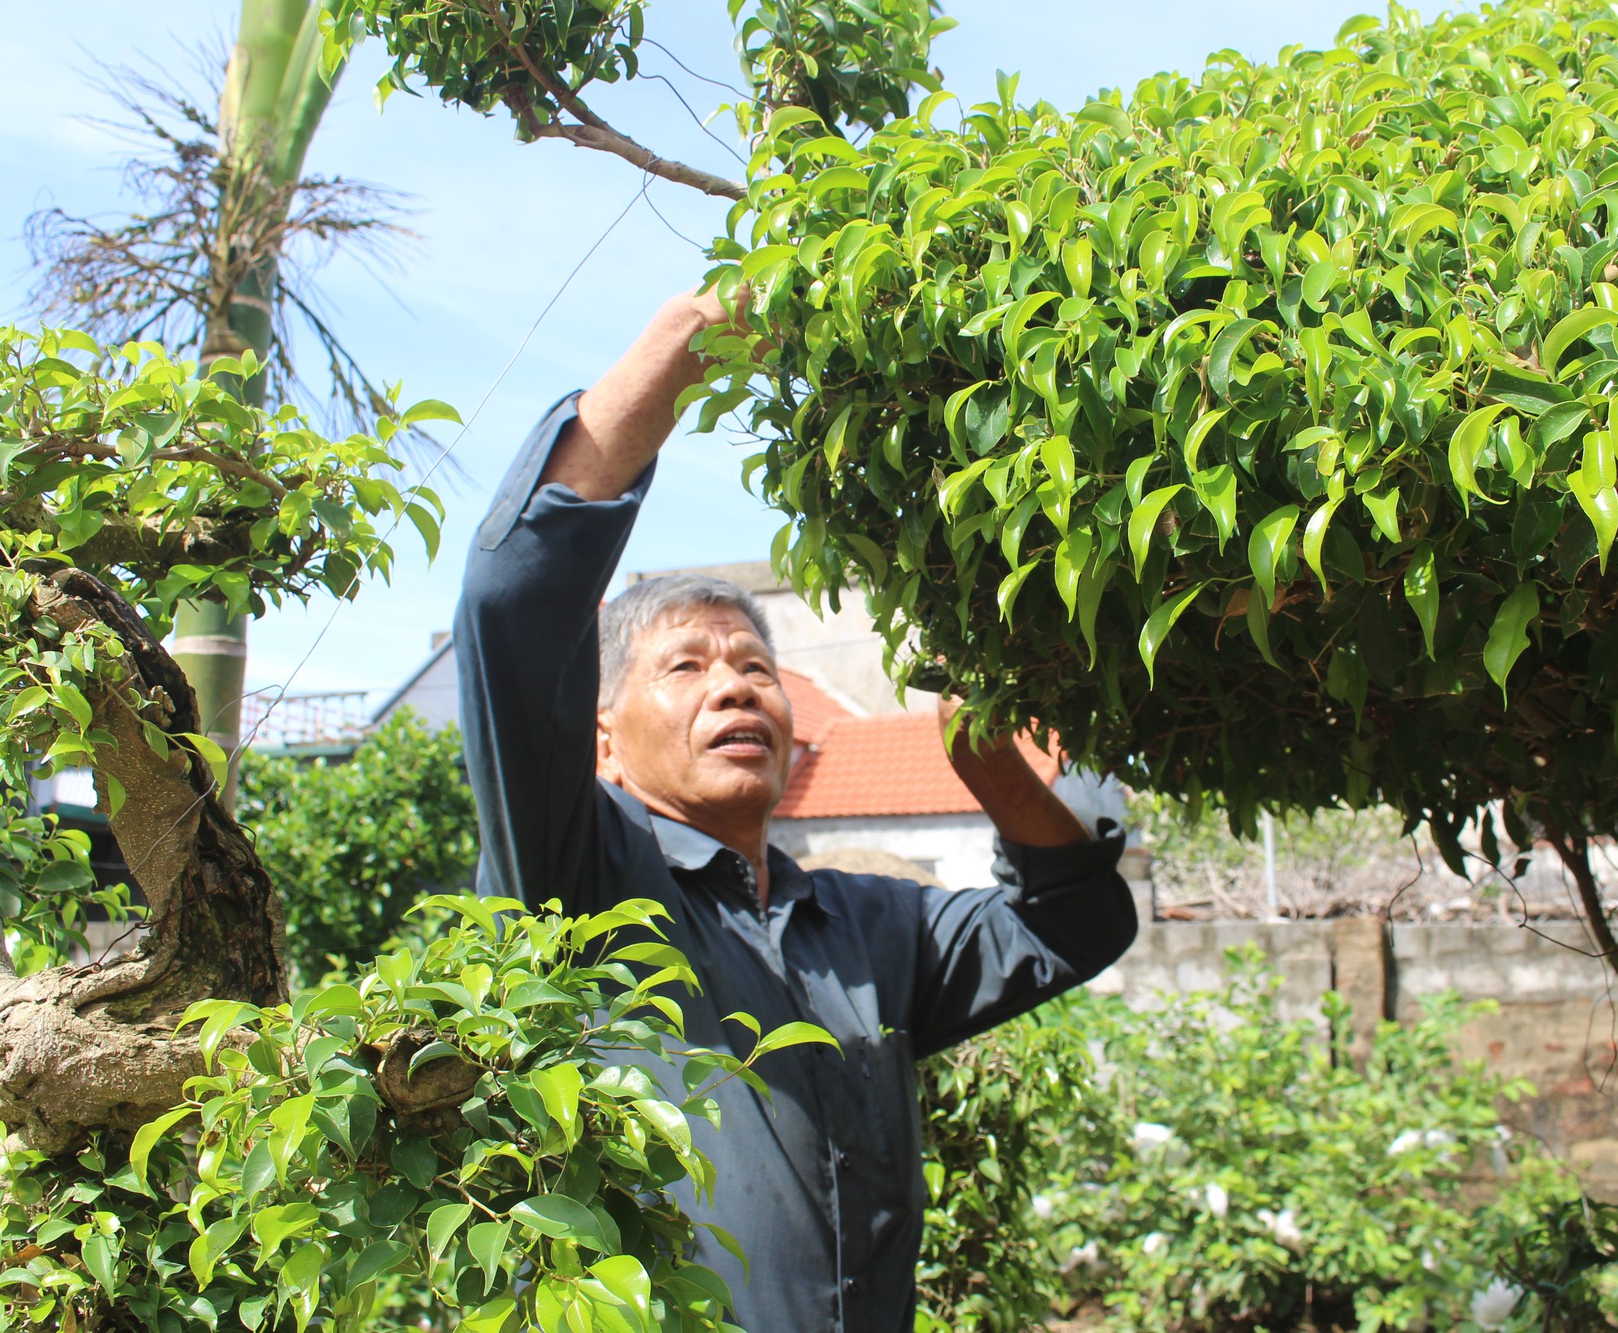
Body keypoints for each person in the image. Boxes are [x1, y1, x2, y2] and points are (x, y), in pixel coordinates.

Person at [453, 285, 1138, 1332]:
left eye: (754, 666)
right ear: (600, 737)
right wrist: (687, 340)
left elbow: (1076, 923)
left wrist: (987, 763)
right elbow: (511, 598)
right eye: (683, 666)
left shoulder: (867, 929)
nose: (734, 687)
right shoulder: (574, 882)